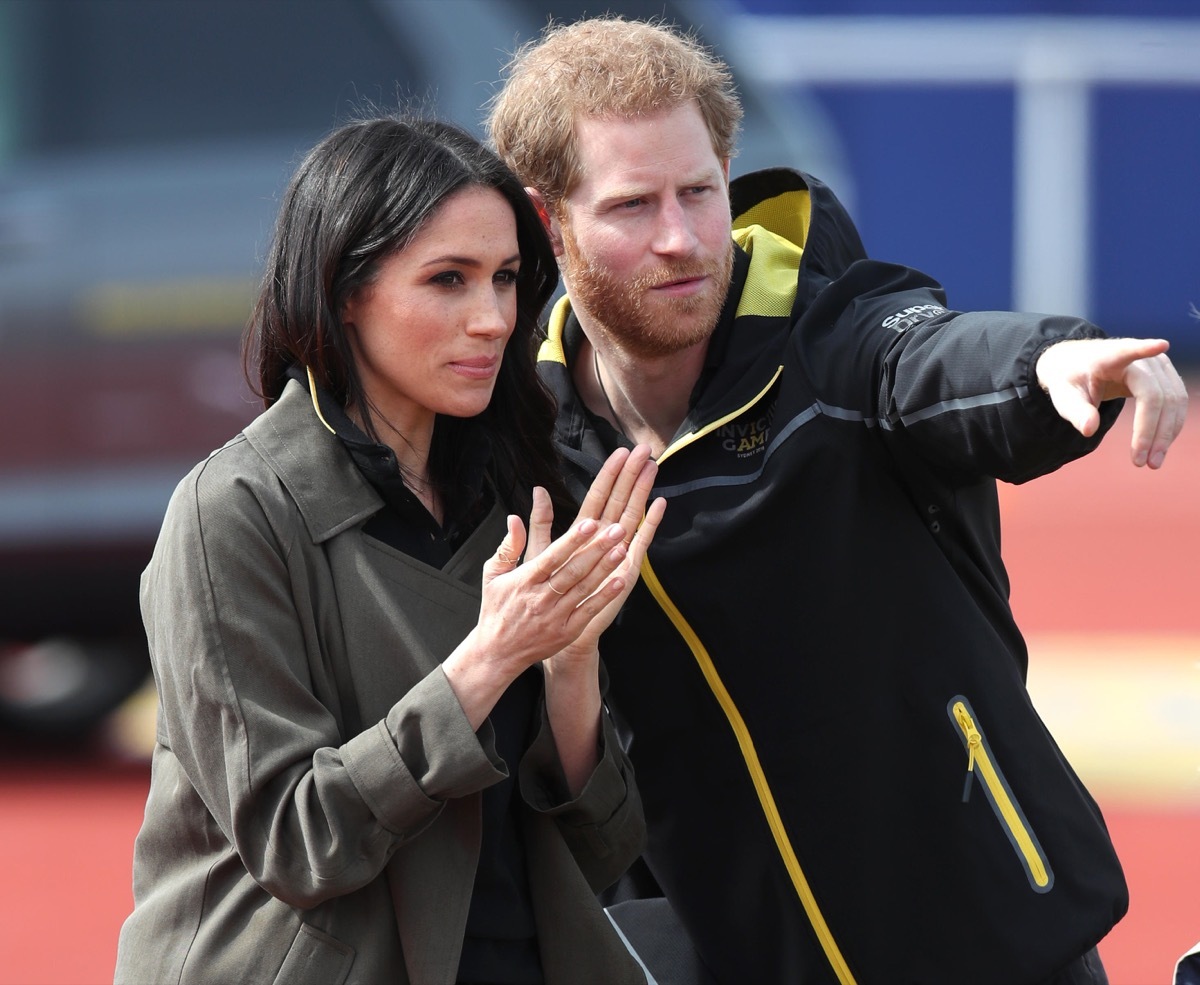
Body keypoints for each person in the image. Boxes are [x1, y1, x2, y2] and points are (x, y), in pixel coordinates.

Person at [485, 16, 1190, 985]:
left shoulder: (834, 336)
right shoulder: (526, 446)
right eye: (632, 206)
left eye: (698, 190)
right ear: (545, 217)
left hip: (991, 947)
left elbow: (929, 360)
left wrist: (1049, 361)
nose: (682, 237)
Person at [113, 114, 667, 985]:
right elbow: (300, 843)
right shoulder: (234, 511)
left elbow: (599, 850)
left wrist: (571, 663)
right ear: (342, 291)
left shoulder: (521, 489)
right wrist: (488, 659)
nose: (490, 318)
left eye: (508, 279)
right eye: (448, 280)